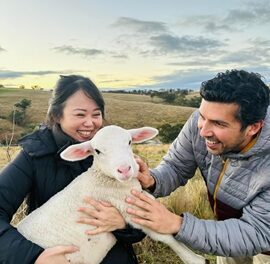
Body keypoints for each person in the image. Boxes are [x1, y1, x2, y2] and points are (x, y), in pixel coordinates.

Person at [125, 69, 270, 264]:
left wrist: (176, 224)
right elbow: (176, 166)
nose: (203, 131)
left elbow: (257, 232)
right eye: (202, 116)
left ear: (253, 127)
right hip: (224, 230)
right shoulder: (199, 124)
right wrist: (152, 179)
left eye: (219, 124)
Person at [0, 75, 145, 264]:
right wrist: (34, 257)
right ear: (57, 115)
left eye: (96, 114)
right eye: (80, 114)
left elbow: (143, 222)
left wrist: (123, 224)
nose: (90, 123)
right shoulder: (34, 155)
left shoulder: (115, 153)